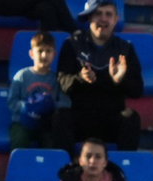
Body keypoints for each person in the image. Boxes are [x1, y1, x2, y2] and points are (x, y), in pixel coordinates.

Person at [55, 1, 143, 151]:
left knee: (130, 118)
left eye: (108, 14)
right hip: (81, 120)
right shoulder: (72, 45)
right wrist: (81, 78)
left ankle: (122, 170)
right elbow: (62, 82)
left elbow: (137, 90)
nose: (103, 19)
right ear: (89, 17)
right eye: (98, 14)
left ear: (116, 19)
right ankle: (67, 170)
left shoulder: (125, 49)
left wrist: (120, 81)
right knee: (60, 116)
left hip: (111, 121)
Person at [7, 29, 59, 147]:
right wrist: (26, 106)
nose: (44, 55)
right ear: (31, 54)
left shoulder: (55, 79)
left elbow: (57, 101)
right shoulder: (22, 76)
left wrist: (49, 106)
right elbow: (11, 102)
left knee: (51, 141)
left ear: (54, 54)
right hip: (22, 123)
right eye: (40, 51)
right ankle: (19, 165)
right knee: (19, 140)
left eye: (48, 51)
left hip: (45, 123)